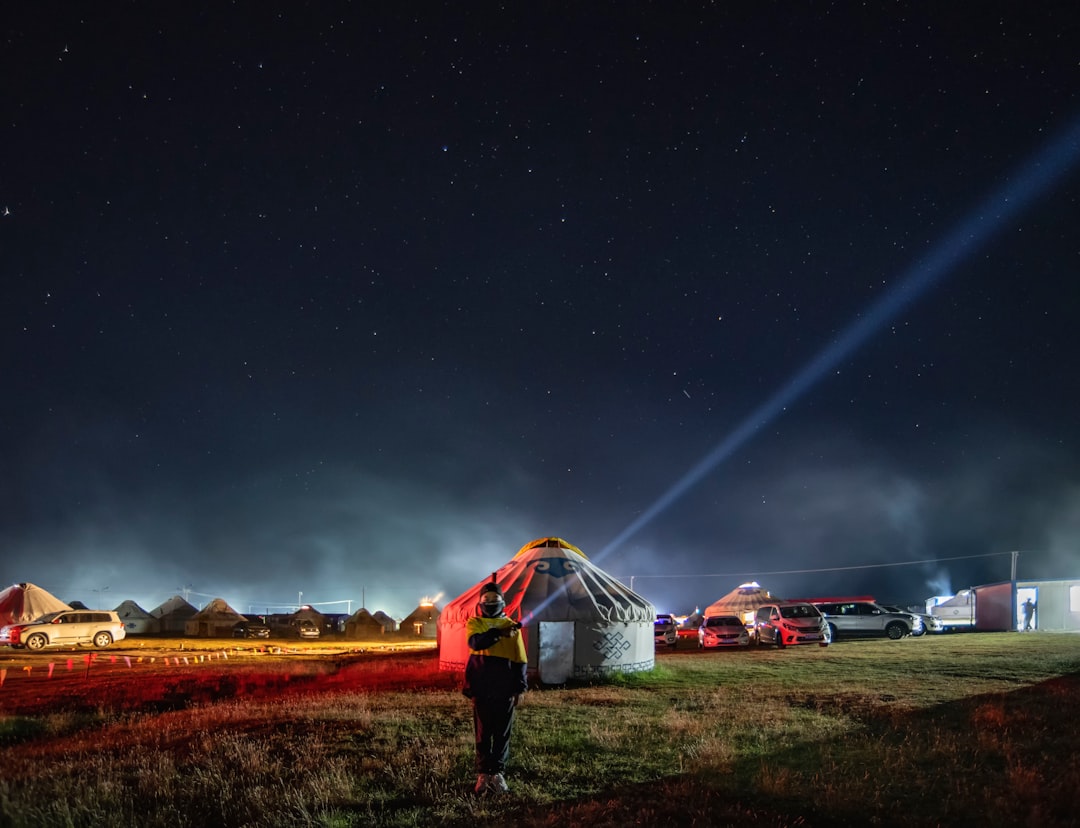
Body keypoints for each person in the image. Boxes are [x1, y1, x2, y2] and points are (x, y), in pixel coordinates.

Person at [462, 580, 527, 794]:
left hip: (505, 688)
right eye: (486, 599)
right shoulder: (475, 623)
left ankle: (497, 774)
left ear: (503, 602)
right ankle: (483, 774)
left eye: (495, 599)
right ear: (480, 603)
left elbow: (520, 660)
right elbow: (476, 643)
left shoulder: (512, 627)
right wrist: (499, 633)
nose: (490, 603)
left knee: (502, 733)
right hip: (481, 687)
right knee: (483, 733)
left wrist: (520, 687)